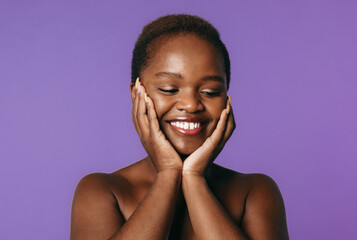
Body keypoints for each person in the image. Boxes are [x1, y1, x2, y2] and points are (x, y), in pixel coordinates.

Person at [70, 14, 289, 240]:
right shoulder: (103, 191)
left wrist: (194, 179)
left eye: (210, 92)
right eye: (169, 89)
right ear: (137, 95)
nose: (191, 105)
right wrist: (167, 174)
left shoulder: (255, 192)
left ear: (226, 98)